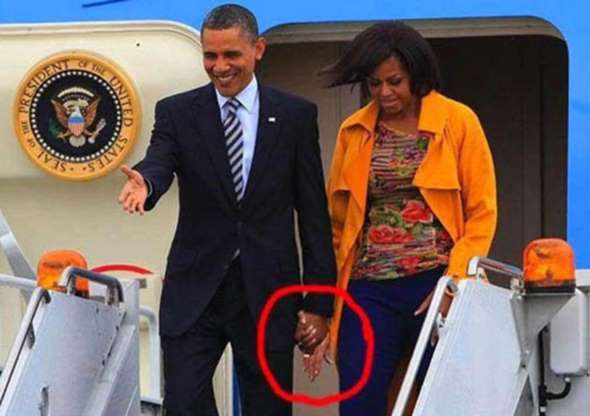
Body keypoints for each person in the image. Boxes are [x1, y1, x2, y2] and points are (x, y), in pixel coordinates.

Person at [117, 4, 336, 415]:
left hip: (268, 290)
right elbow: (160, 160)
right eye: (210, 56)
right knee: (183, 402)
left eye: (231, 54)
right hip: (196, 288)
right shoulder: (177, 112)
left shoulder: (295, 115)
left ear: (258, 49)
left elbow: (313, 215)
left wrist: (319, 303)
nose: (220, 67)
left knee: (268, 408)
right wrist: (146, 182)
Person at [304, 21, 497, 415]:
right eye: (374, 84)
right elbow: (338, 225)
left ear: (417, 76)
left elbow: (482, 213)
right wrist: (328, 305)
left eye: (395, 82)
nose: (385, 93)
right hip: (368, 288)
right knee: (359, 400)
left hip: (436, 282)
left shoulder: (458, 122)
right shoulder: (353, 131)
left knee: (442, 400)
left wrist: (454, 284)